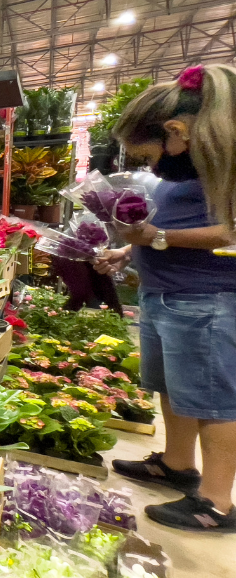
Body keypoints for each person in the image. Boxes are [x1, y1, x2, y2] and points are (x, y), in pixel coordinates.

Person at [94, 63, 236, 532]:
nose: (155, 166)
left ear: (177, 130)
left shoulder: (228, 165)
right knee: (175, 388)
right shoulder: (198, 165)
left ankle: (215, 502)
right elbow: (171, 226)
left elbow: (228, 232)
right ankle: (177, 463)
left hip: (206, 297)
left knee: (214, 400)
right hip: (167, 294)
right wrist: (128, 250)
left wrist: (158, 239)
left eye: (152, 154)